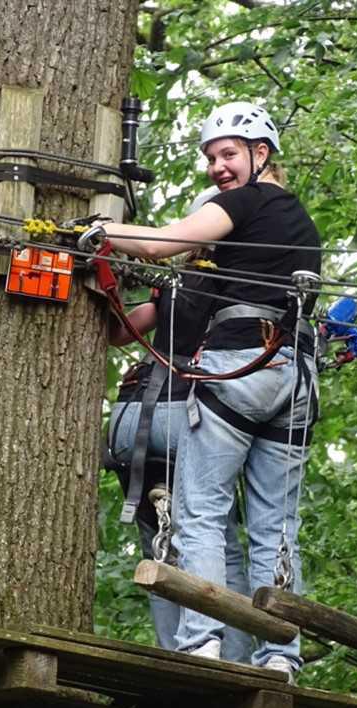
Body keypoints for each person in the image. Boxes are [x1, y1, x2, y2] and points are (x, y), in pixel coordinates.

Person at [92, 101, 322, 682]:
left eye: (227, 155)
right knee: (275, 525)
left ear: (260, 154)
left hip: (241, 368)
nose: (217, 167)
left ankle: (201, 644)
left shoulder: (246, 203)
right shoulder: (296, 224)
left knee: (200, 513)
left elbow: (157, 245)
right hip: (293, 374)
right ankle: (279, 655)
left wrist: (95, 232)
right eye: (211, 158)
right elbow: (140, 315)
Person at [105, 190, 253, 662]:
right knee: (214, 539)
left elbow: (119, 332)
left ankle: (177, 655)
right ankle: (226, 659)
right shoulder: (243, 281)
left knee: (160, 550)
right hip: (188, 416)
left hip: (133, 426)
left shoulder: (175, 281)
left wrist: (108, 282)